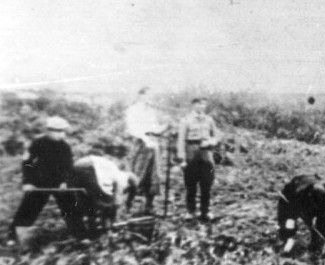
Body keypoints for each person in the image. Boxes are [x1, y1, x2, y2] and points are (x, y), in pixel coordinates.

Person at [7, 116, 82, 245]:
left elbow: (68, 167)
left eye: (63, 131)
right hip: (39, 182)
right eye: (58, 131)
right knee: (29, 208)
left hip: (59, 183)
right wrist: (28, 183)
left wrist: (65, 182)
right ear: (49, 131)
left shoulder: (65, 146)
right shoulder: (37, 143)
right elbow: (27, 163)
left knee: (71, 206)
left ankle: (80, 235)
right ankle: (13, 236)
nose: (62, 134)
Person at [125, 86, 167, 214]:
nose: (149, 99)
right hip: (140, 144)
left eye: (151, 96)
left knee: (154, 174)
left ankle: (149, 204)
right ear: (141, 96)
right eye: (147, 96)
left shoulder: (151, 111)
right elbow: (132, 129)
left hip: (153, 144)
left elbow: (154, 127)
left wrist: (163, 127)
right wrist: (144, 138)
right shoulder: (133, 110)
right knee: (136, 174)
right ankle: (129, 203)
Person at [176, 97, 219, 222]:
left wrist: (210, 141)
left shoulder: (209, 120)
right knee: (191, 184)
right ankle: (190, 211)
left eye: (204, 105)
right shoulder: (186, 120)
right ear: (193, 105)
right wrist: (182, 159)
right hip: (191, 152)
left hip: (206, 153)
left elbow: (216, 136)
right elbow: (180, 141)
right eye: (199, 105)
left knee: (207, 183)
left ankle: (205, 211)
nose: (201, 107)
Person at [70, 154, 138, 233]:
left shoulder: (114, 173)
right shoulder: (123, 178)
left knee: (88, 198)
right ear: (130, 184)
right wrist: (112, 218)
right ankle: (103, 228)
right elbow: (116, 202)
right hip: (90, 166)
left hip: (77, 165)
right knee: (106, 201)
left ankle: (91, 227)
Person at [277, 174, 325, 253]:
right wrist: (308, 220)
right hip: (292, 200)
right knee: (290, 222)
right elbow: (297, 211)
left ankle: (319, 243)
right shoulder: (299, 191)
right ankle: (288, 242)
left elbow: (321, 214)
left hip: (307, 196)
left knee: (319, 221)